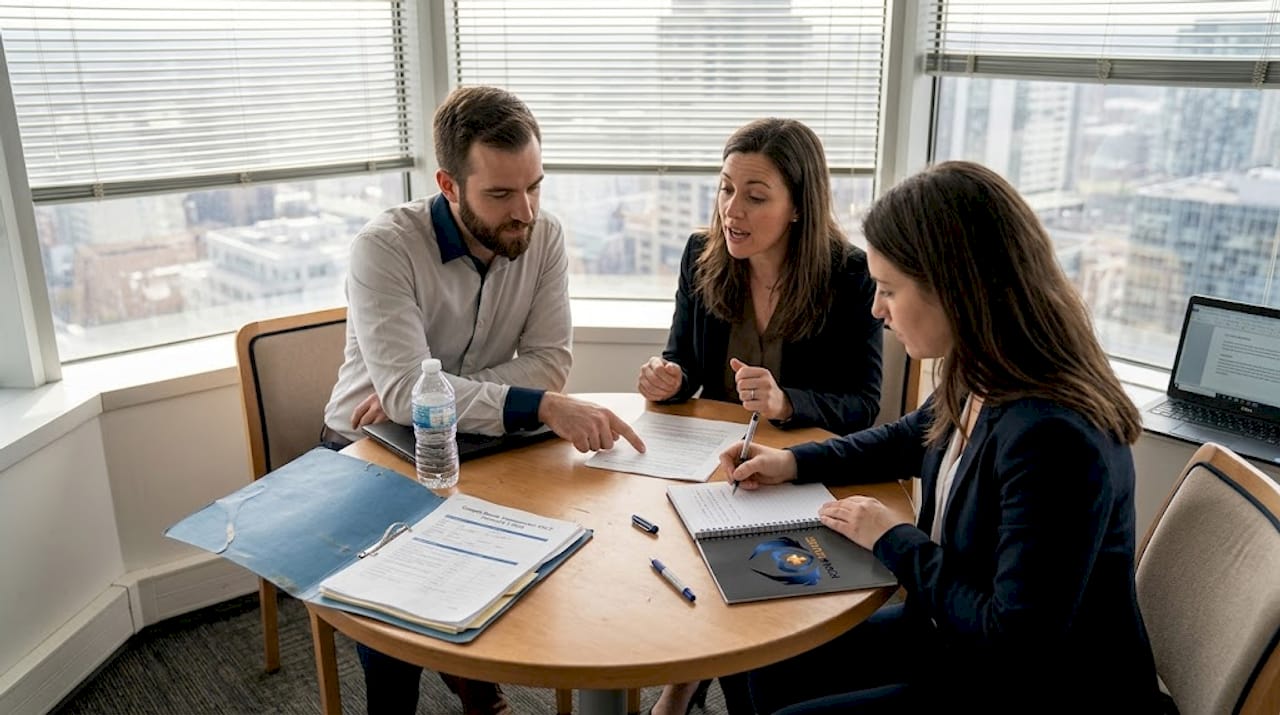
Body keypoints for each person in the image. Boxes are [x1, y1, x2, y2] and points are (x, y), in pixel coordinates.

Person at [725, 160, 1169, 714]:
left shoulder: (1055, 435)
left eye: (888, 288)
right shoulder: (984, 366)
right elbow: (910, 437)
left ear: (955, 289)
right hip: (950, 637)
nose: (876, 308)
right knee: (755, 660)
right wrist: (793, 463)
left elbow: (1013, 642)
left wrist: (892, 537)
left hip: (1027, 687)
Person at [322, 85, 644, 715]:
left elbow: (551, 361)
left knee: (571, 543)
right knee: (398, 592)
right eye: (500, 194)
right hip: (367, 446)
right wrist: (538, 403)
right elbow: (401, 396)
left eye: (535, 187)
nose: (523, 210)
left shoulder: (542, 236)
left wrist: (431, 390)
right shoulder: (383, 247)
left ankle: (471, 671)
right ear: (448, 184)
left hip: (484, 439)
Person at [638, 117, 883, 715]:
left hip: (798, 464)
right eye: (725, 189)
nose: (732, 210)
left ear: (798, 205)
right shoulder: (702, 254)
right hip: (713, 457)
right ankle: (690, 677)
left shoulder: (850, 276)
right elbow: (683, 364)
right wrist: (665, 380)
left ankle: (686, 684)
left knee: (752, 583)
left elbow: (863, 402)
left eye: (755, 196)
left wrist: (786, 402)